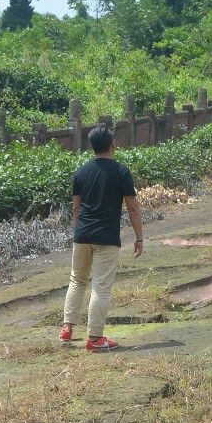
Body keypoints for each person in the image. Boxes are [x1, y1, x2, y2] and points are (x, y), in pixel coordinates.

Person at [60, 124, 143, 352]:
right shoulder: (121, 171)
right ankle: (95, 339)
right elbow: (133, 208)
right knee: (100, 288)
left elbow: (76, 209)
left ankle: (67, 330)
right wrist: (139, 238)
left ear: (92, 146)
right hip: (106, 237)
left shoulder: (81, 172)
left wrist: (79, 231)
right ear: (113, 145)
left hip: (82, 235)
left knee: (77, 281)